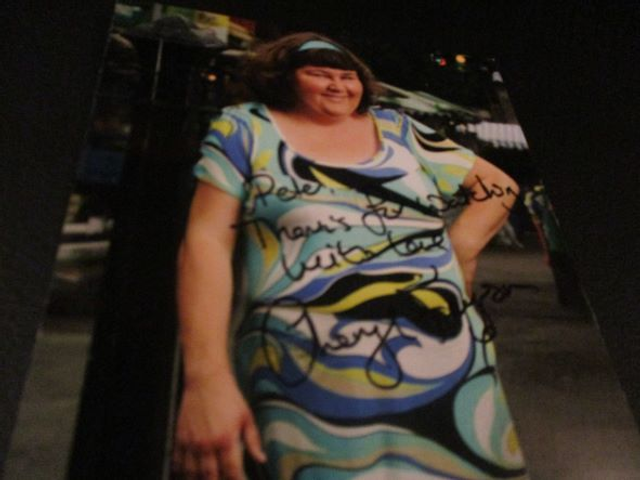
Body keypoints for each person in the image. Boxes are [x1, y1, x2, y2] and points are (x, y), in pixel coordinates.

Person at [172, 32, 527, 480]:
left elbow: (498, 188)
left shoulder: (398, 130)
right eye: (319, 73)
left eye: (348, 76)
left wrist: (459, 252)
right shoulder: (247, 129)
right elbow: (206, 241)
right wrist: (205, 377)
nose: (338, 85)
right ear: (282, 78)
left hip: (446, 359)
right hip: (306, 369)